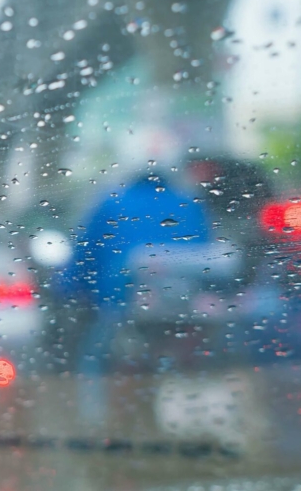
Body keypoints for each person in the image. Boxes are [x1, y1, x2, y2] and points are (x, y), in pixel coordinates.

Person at [68, 171, 209, 426]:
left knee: (93, 358)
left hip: (122, 307)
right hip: (182, 311)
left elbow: (83, 259)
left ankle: (94, 422)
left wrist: (67, 288)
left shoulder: (110, 202)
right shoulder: (189, 203)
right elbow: (206, 254)